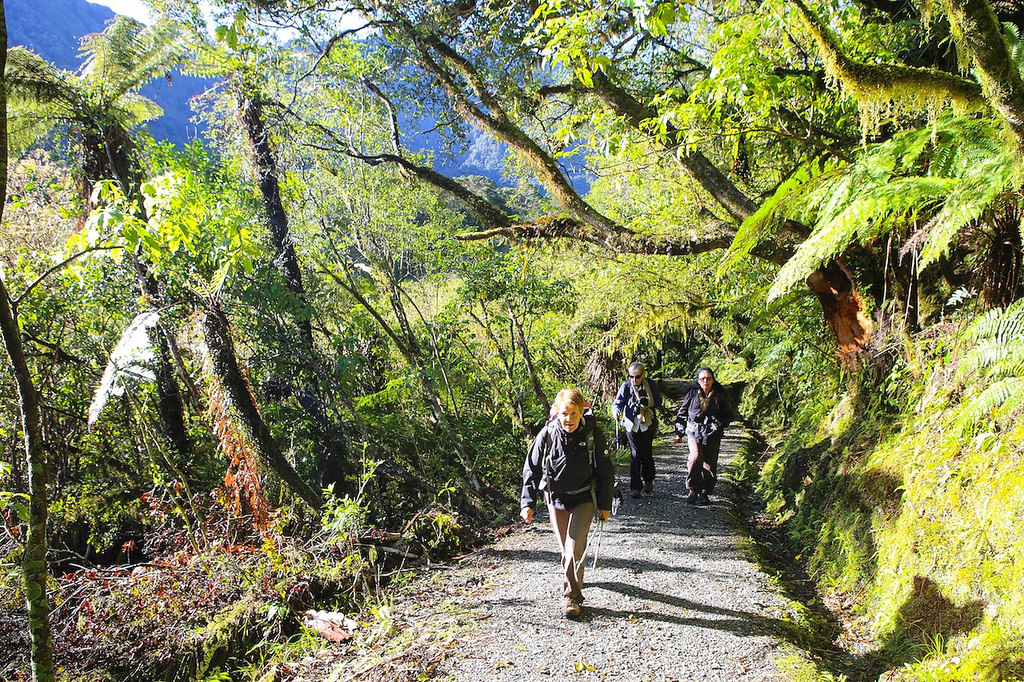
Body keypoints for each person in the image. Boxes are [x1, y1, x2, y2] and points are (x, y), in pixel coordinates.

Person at [521, 388, 613, 618]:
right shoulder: (548, 433)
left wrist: (604, 505)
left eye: (573, 413)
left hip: (584, 497)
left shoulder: (593, 434)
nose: (568, 419)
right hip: (556, 498)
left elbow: (605, 472)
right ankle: (576, 580)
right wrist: (527, 503)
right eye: (564, 413)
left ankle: (571, 598)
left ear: (582, 411)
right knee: (566, 551)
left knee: (573, 550)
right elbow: (531, 469)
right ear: (557, 413)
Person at [674, 367, 733, 505]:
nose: (705, 381)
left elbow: (728, 414)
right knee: (695, 458)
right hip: (694, 431)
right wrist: (679, 432)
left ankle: (705, 492)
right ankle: (693, 489)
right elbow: (682, 413)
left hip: (712, 433)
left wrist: (719, 422)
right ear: (698, 380)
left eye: (708, 378)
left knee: (710, 463)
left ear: (713, 380)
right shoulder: (692, 393)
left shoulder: (720, 394)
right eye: (702, 378)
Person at [611, 362, 662, 498]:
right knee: (635, 454)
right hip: (631, 424)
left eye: (637, 377)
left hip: (648, 423)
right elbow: (618, 402)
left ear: (643, 375)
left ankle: (648, 478)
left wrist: (646, 403)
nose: (634, 380)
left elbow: (658, 401)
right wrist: (616, 411)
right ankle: (635, 487)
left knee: (646, 453)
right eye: (631, 376)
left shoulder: (650, 384)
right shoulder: (626, 386)